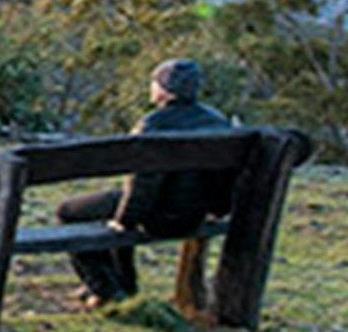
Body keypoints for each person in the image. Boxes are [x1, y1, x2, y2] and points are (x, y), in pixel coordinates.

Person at [57, 58, 235, 307]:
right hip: (194, 215)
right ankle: (124, 284)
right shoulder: (218, 122)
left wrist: (124, 221)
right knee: (118, 205)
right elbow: (227, 176)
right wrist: (217, 210)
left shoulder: (153, 124)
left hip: (159, 218)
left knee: (67, 211)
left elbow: (143, 185)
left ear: (165, 90)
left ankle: (106, 288)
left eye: (155, 82)